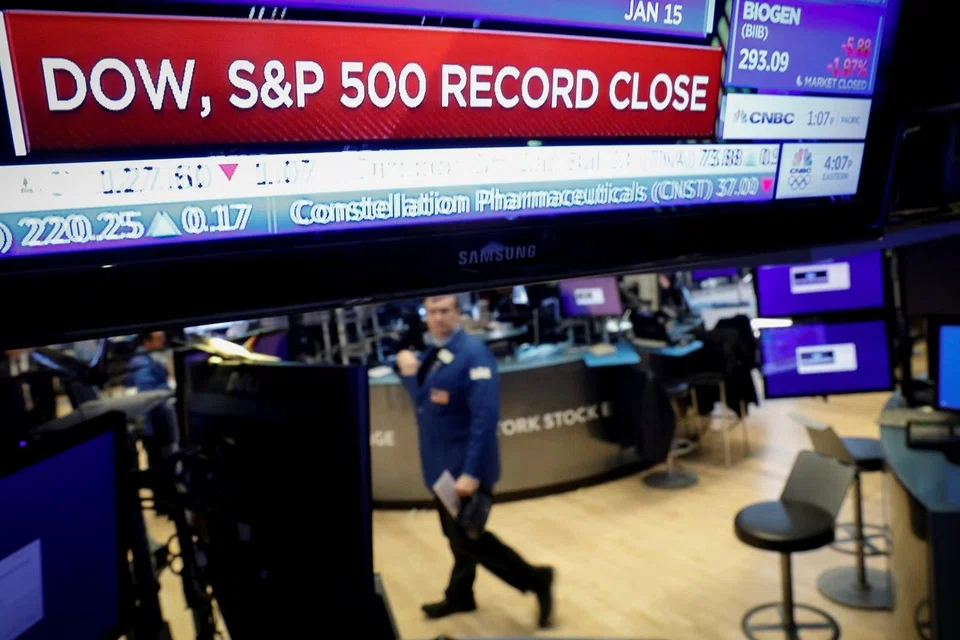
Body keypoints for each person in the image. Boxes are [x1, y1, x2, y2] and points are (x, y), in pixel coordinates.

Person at [396, 295, 555, 628]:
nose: (438, 318)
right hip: (439, 469)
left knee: (470, 539)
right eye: (432, 312)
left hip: (464, 471)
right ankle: (461, 596)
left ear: (458, 313)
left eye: (445, 311)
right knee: (456, 538)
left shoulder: (474, 355)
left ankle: (536, 579)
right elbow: (425, 404)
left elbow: (485, 419)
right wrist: (409, 375)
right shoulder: (436, 352)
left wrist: (470, 472)